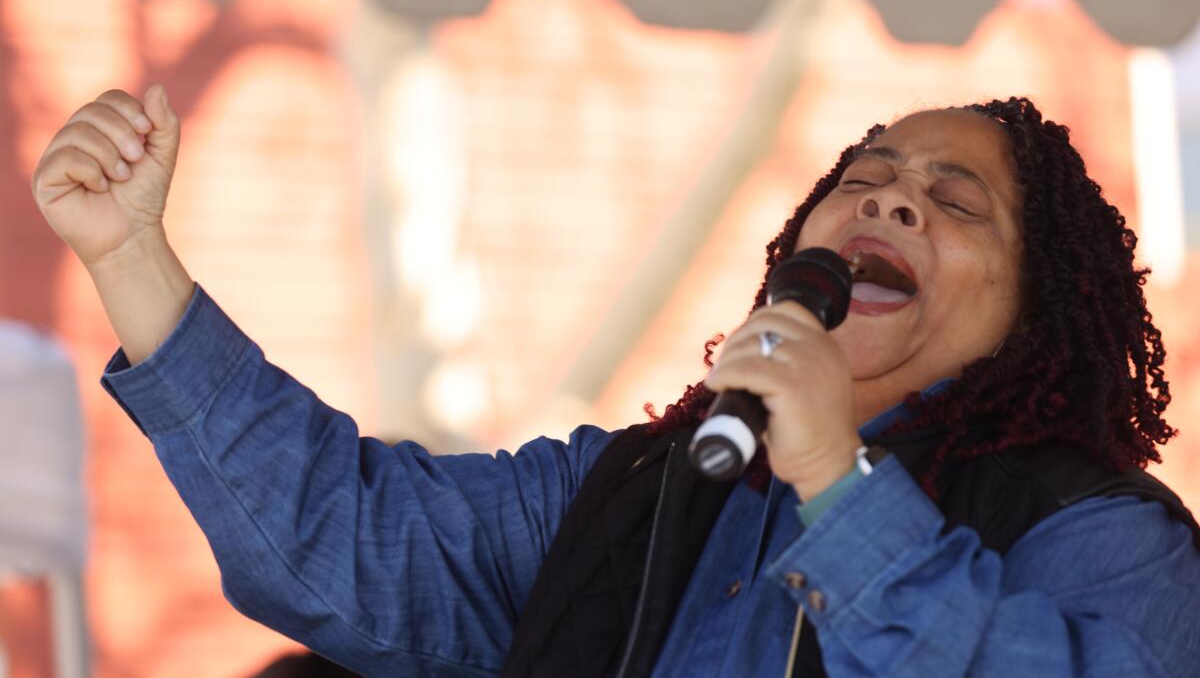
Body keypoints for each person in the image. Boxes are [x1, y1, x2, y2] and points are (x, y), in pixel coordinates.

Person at [30, 87, 1200, 677]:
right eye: (866, 177)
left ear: (1032, 316)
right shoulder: (648, 487)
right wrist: (129, 256)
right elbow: (349, 541)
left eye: (954, 202)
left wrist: (839, 489)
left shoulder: (1104, 533)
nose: (890, 199)